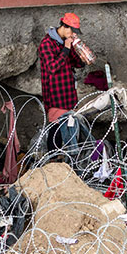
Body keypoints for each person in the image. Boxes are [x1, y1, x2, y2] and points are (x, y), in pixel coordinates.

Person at [38, 13, 91, 151]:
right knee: (55, 128)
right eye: (72, 31)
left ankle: (69, 159)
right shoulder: (46, 44)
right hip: (55, 94)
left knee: (70, 127)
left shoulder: (66, 41)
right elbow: (52, 67)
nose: (73, 34)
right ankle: (53, 160)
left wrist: (80, 51)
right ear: (64, 27)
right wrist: (66, 48)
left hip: (68, 94)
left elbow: (77, 64)